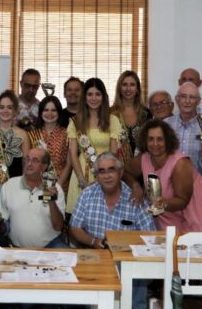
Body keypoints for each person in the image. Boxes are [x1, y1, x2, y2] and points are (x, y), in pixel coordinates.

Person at [69, 152, 155, 309]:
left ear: (121, 172)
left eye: (111, 170)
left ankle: (138, 307)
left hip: (125, 258)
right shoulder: (87, 194)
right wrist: (93, 242)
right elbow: (74, 227)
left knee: (139, 265)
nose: (107, 176)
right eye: (102, 171)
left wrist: (126, 248)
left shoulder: (135, 198)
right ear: (97, 175)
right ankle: (99, 304)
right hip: (95, 254)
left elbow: (150, 234)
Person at [124, 120, 202, 232]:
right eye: (151, 139)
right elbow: (125, 172)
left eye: (160, 139)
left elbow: (182, 201)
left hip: (194, 214)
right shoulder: (143, 158)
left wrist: (161, 204)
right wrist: (135, 186)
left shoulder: (180, 164)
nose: (155, 144)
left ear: (168, 141)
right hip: (165, 215)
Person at [67, 77, 121, 213]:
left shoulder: (112, 120)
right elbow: (73, 154)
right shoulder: (75, 121)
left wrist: (102, 179)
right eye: (90, 94)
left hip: (106, 174)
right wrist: (81, 180)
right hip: (81, 174)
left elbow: (114, 154)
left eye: (97, 94)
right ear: (84, 97)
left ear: (103, 97)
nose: (94, 98)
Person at [0, 147, 67, 248]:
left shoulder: (55, 188)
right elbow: (2, 220)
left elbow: (58, 227)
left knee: (69, 258)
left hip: (50, 245)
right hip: (16, 247)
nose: (29, 163)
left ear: (44, 166)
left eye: (35, 160)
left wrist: (52, 201)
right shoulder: (9, 186)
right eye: (27, 159)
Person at [167, 83, 202, 181]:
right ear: (177, 100)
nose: (187, 101)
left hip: (198, 185)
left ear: (198, 101)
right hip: (171, 183)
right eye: (183, 96)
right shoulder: (166, 124)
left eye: (192, 97)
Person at [0, 90, 31, 184]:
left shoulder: (23, 135)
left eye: (9, 107)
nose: (5, 111)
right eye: (2, 107)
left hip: (15, 186)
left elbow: (26, 164)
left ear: (15, 110)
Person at [29, 96, 72, 190]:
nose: (49, 113)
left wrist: (58, 185)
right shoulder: (32, 134)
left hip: (60, 184)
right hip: (37, 185)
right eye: (46, 110)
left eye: (53, 110)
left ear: (59, 112)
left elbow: (69, 163)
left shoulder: (67, 133)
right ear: (41, 112)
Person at [111, 70, 151, 161]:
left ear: (137, 89)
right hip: (116, 166)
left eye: (132, 85)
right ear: (119, 89)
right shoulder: (110, 113)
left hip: (141, 165)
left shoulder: (146, 114)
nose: (128, 88)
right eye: (124, 84)